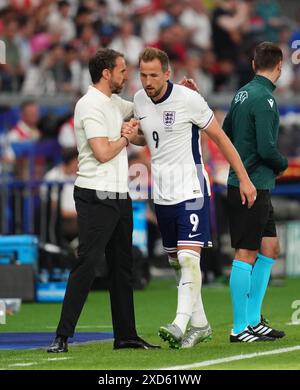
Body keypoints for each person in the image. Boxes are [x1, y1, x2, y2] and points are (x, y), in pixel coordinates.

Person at [122, 47, 256, 349]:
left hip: (192, 188)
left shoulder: (188, 99)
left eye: (153, 75)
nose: (147, 81)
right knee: (177, 264)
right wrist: (133, 136)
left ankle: (179, 323)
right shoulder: (140, 101)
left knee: (187, 258)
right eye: (143, 75)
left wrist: (244, 178)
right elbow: (150, 135)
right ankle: (201, 324)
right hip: (163, 192)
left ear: (167, 74)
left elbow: (220, 138)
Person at [47, 48, 161, 352]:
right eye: (123, 70)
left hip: (118, 194)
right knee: (87, 263)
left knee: (123, 267)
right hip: (95, 193)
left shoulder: (113, 102)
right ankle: (62, 336)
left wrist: (173, 93)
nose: (128, 76)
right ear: (107, 73)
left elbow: (141, 112)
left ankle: (126, 336)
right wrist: (126, 136)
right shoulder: (89, 105)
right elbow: (103, 152)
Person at [223, 41, 288, 342]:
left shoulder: (240, 94)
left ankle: (252, 319)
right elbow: (267, 148)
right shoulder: (265, 99)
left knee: (269, 248)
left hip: (256, 184)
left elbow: (225, 133)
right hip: (251, 186)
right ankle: (239, 327)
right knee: (246, 253)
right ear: (279, 67)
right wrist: (282, 163)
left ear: (253, 65)